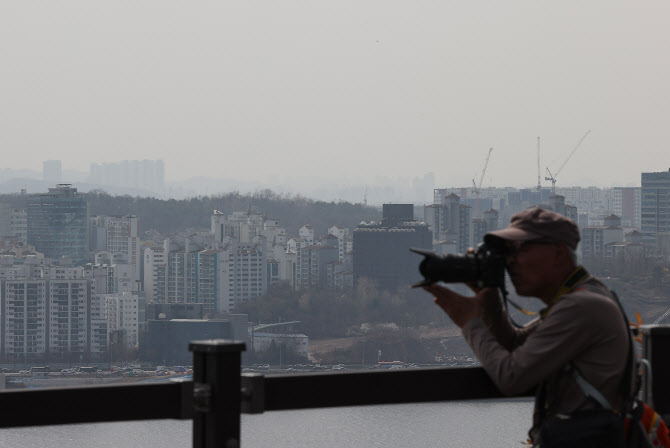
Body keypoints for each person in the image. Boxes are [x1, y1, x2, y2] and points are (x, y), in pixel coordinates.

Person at [422, 208, 630, 447]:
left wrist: (470, 322)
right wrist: (488, 297)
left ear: (558, 253)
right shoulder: (583, 296)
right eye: (507, 252)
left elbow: (511, 377)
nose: (510, 261)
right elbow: (516, 346)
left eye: (521, 249)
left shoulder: (582, 307)